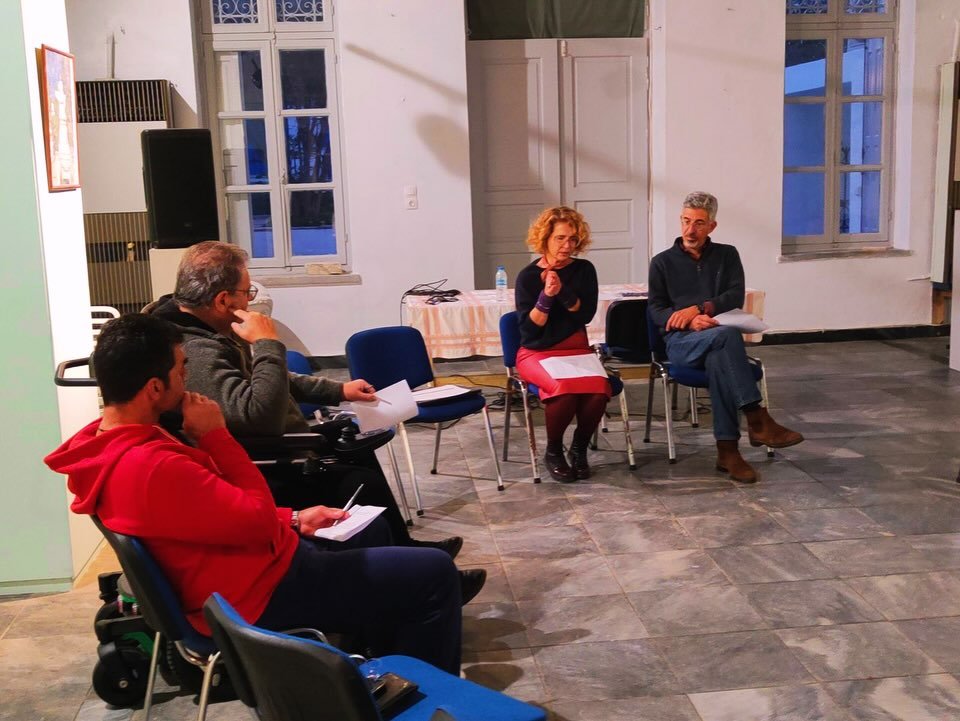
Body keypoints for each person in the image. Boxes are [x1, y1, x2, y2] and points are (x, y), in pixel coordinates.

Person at [44, 314, 463, 673]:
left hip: (241, 568)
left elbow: (204, 514)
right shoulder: (152, 465)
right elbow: (256, 521)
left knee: (370, 531)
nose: (187, 376)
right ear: (154, 388)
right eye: (181, 368)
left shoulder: (104, 444)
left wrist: (293, 519)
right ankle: (417, 698)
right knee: (434, 573)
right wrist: (217, 437)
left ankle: (376, 677)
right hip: (257, 594)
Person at [145, 241, 467, 562]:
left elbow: (268, 379)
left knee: (357, 441)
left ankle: (407, 553)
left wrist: (340, 391)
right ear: (222, 300)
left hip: (273, 442)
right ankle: (403, 567)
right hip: (263, 457)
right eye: (246, 292)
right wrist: (267, 342)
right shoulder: (197, 350)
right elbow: (259, 417)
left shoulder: (207, 327)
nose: (250, 300)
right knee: (360, 479)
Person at [648, 191, 804, 483]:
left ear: (712, 226)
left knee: (721, 360)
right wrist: (688, 321)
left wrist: (699, 309)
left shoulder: (727, 254)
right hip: (681, 344)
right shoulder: (662, 262)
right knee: (728, 337)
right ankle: (756, 417)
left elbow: (734, 295)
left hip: (717, 340)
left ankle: (728, 452)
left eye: (698, 223)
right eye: (685, 221)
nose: (690, 230)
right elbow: (655, 310)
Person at [514, 206, 611, 482]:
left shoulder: (584, 270)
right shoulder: (528, 276)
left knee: (599, 390)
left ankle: (579, 448)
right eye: (560, 238)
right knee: (564, 391)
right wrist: (546, 296)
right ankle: (554, 451)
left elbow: (585, 315)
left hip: (576, 349)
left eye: (572, 239)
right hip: (537, 352)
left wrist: (562, 291)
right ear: (545, 238)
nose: (567, 246)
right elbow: (530, 330)